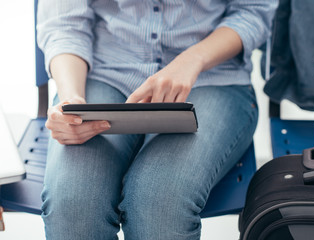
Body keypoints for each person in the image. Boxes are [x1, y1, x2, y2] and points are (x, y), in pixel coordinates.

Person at [37, 0, 277, 239]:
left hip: (211, 77)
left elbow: (253, 11)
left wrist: (191, 60)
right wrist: (71, 100)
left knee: (161, 202)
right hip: (103, 72)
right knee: (72, 203)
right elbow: (64, 23)